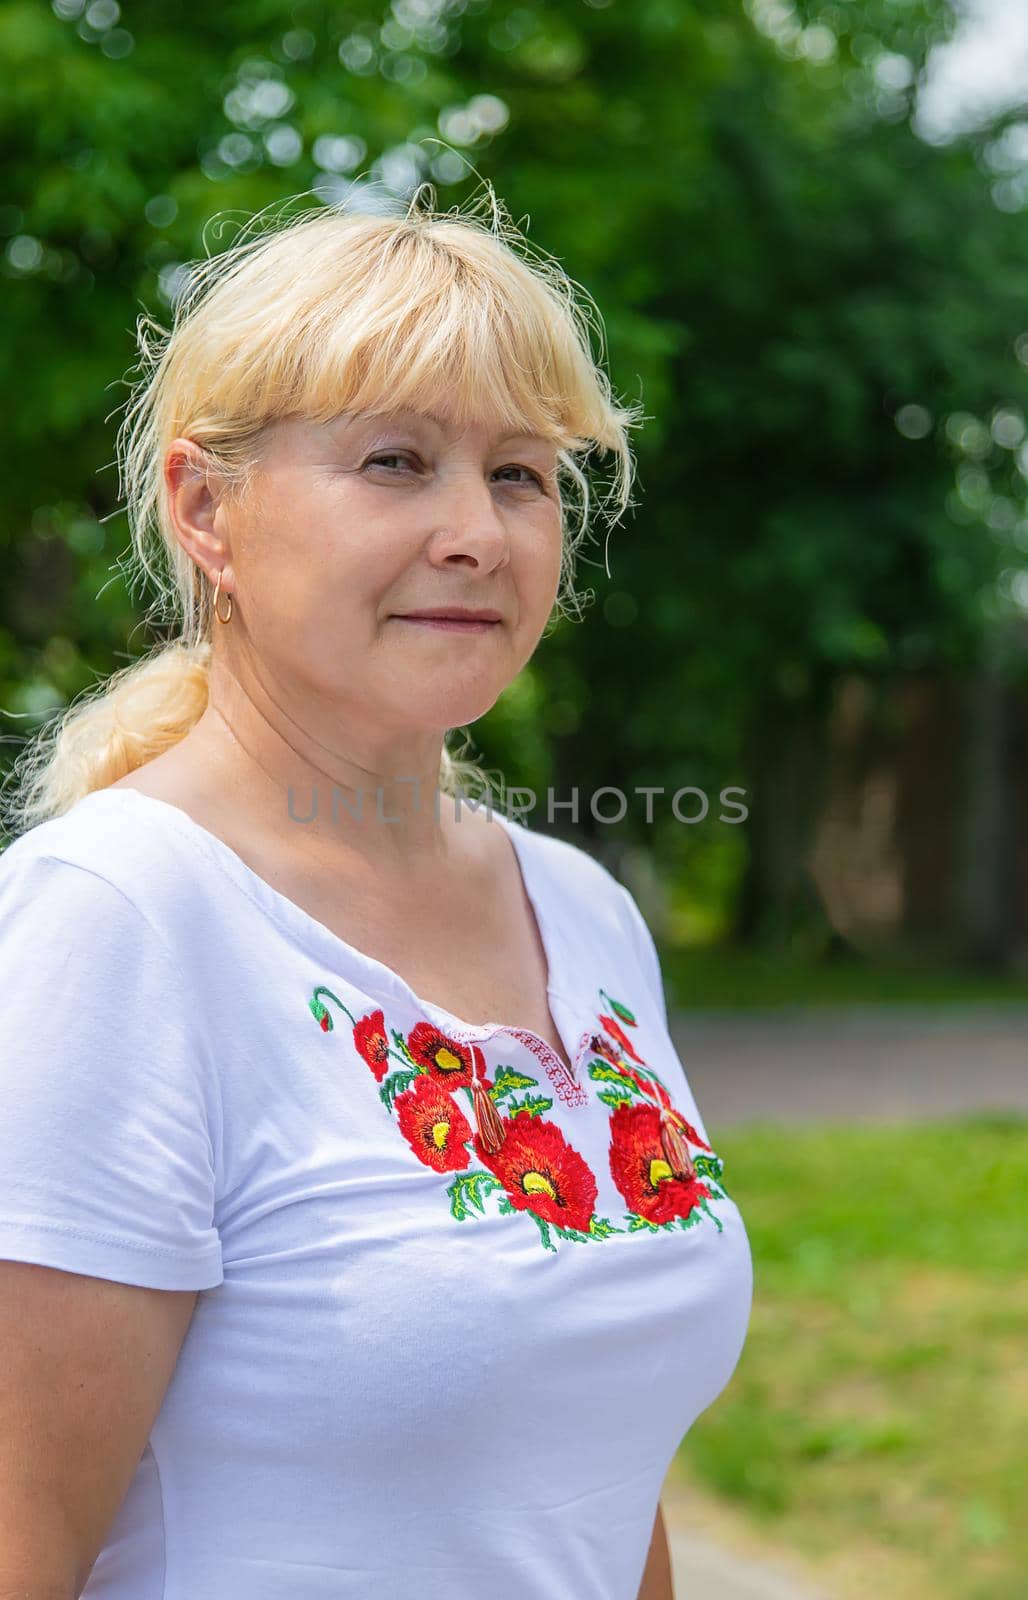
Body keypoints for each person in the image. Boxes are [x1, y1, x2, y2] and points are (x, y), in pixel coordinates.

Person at [0, 187, 753, 1600]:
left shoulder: (579, 908)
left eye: (522, 474)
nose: (478, 532)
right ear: (205, 508)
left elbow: (595, 1481)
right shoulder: (118, 920)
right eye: (397, 462)